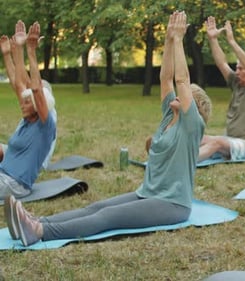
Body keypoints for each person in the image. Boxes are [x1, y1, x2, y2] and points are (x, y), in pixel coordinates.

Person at [4, 11, 212, 247]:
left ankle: (40, 231)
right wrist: (167, 38)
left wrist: (178, 40)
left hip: (172, 204)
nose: (178, 92)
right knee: (95, 207)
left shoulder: (192, 125)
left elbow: (181, 79)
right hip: (147, 193)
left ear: (193, 107)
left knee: (105, 217)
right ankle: (38, 220)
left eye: (186, 96)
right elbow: (166, 78)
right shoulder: (169, 115)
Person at [197, 16, 245, 162]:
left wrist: (231, 41)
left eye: (241, 69)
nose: (237, 71)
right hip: (230, 141)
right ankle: (169, 153)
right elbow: (222, 63)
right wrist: (213, 39)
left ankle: (183, 163)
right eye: (236, 68)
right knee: (200, 138)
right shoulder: (236, 83)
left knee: (216, 143)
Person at [0, 20, 57, 199]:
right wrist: (15, 50)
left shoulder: (45, 125)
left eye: (27, 102)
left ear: (38, 104)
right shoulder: (28, 118)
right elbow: (19, 84)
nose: (21, 104)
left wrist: (31, 51)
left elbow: (35, 89)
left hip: (14, 184)